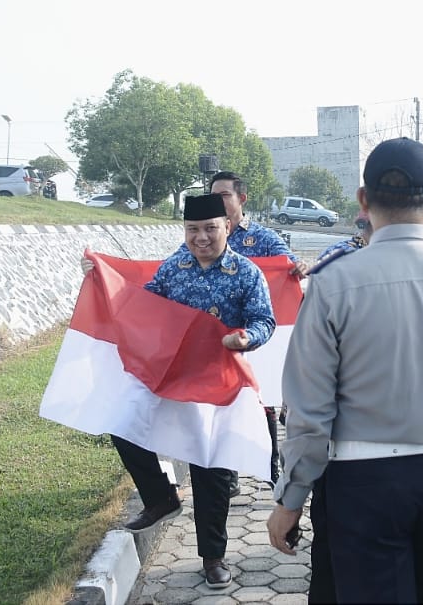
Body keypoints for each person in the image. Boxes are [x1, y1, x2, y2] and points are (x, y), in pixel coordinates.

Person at [267, 137, 423, 604]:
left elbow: (309, 411)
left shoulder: (333, 282)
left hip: (360, 480)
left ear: (362, 201)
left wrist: (291, 498)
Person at [82, 192, 276, 589]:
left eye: (210, 228)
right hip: (171, 373)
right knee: (123, 422)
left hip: (219, 380)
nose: (201, 237)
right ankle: (160, 497)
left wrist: (246, 337)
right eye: (193, 230)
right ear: (184, 231)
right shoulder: (176, 267)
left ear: (226, 227)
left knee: (212, 470)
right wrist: (100, 278)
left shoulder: (246, 272)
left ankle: (213, 557)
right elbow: (141, 305)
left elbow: (265, 320)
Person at [209, 169, 307, 486]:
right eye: (212, 196)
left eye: (223, 195)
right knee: (223, 403)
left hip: (254, 334)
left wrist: (297, 268)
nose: (217, 202)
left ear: (242, 199)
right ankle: (230, 471)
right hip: (216, 335)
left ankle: (270, 466)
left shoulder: (261, 238)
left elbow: (289, 266)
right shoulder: (205, 236)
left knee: (260, 400)